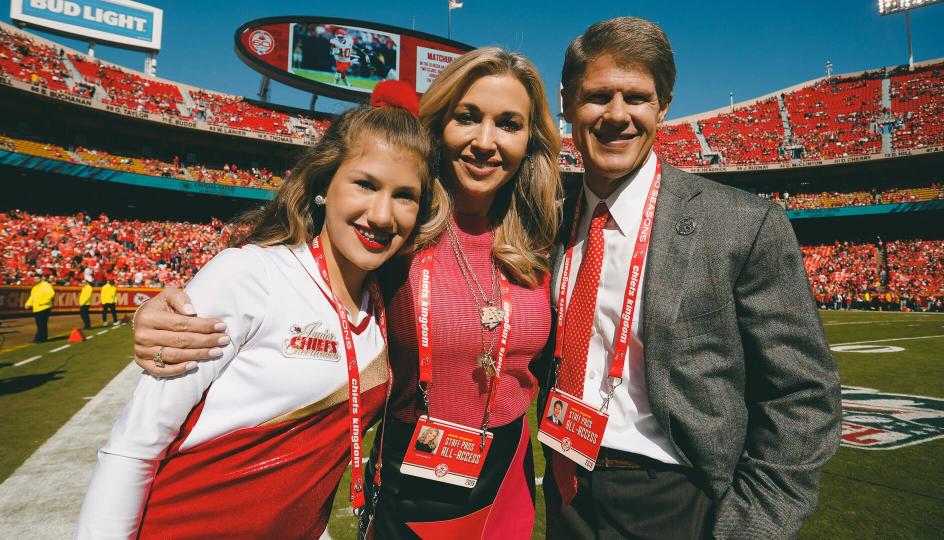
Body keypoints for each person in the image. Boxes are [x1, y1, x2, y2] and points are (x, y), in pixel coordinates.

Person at [129, 47, 562, 539]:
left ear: (532, 139)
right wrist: (165, 313)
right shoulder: (399, 224)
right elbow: (292, 260)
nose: (485, 141)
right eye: (467, 117)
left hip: (507, 469)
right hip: (411, 474)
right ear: (439, 125)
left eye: (509, 123)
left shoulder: (548, 235)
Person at [75, 83, 433, 539]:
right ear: (325, 183)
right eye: (365, 184)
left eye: (405, 195)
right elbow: (133, 446)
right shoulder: (250, 274)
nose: (383, 214)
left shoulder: (388, 308)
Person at [539, 17, 841, 538]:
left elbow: (803, 397)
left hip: (679, 496)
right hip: (565, 484)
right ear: (565, 102)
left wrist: (750, 526)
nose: (617, 115)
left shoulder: (742, 225)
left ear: (663, 106)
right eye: (597, 96)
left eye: (636, 97)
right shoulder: (547, 217)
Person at [24, 271, 54, 342]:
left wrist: (42, 302)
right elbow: (32, 297)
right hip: (37, 308)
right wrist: (28, 304)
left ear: (41, 279)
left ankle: (40, 338)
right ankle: (42, 338)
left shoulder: (46, 285)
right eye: (35, 279)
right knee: (39, 324)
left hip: (44, 307)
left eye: (37, 279)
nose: (35, 280)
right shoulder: (35, 288)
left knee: (42, 324)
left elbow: (51, 294)